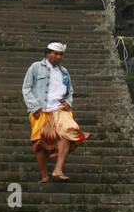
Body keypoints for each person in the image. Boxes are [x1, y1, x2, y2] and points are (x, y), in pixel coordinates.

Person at [21, 41, 92, 182]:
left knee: (68, 132)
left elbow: (69, 91)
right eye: (55, 54)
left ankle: (58, 169)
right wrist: (34, 107)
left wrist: (68, 102)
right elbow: (26, 88)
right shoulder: (35, 67)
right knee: (39, 142)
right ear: (48, 54)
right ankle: (44, 175)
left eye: (61, 54)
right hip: (41, 110)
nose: (58, 57)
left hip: (60, 109)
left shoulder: (64, 72)